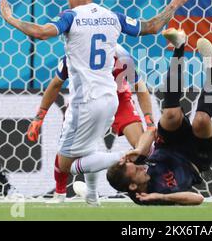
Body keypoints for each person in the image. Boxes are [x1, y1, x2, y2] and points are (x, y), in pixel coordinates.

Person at [0, 0, 196, 205]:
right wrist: (173, 4)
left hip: (87, 101)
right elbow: (152, 27)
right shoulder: (112, 17)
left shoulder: (71, 17)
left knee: (65, 164)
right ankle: (91, 197)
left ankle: (119, 161)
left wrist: (10, 18)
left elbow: (41, 33)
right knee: (89, 149)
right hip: (109, 100)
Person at [101, 30, 212, 206]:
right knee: (202, 120)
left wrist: (139, 150)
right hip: (195, 158)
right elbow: (198, 199)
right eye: (136, 170)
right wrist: (163, 197)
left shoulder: (137, 166)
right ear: (134, 185)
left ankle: (179, 46)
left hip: (169, 144)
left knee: (171, 114)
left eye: (135, 165)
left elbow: (152, 132)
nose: (141, 166)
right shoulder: (149, 196)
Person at [26, 44, 155, 203]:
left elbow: (140, 87)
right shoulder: (76, 52)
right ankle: (69, 194)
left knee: (143, 150)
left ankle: (155, 189)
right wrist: (40, 116)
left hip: (119, 101)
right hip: (87, 104)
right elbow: (56, 84)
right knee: (72, 159)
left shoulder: (120, 54)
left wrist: (149, 122)